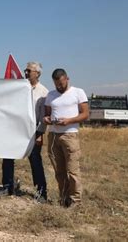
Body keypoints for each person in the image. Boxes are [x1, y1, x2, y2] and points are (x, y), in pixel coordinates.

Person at [0, 62, 49, 201]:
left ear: (37, 73)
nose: (26, 72)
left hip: (33, 132)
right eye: (25, 70)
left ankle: (41, 193)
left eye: (29, 70)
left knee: (35, 162)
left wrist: (40, 134)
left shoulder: (43, 92)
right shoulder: (19, 87)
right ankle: (7, 186)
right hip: (15, 130)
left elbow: (44, 116)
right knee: (8, 157)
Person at [43, 68, 89, 207]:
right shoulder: (50, 95)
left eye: (61, 83)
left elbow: (85, 114)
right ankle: (64, 198)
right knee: (59, 171)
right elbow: (47, 115)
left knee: (73, 170)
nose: (59, 86)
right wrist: (47, 120)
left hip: (70, 135)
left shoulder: (78, 92)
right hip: (53, 135)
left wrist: (68, 121)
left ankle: (76, 201)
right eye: (56, 84)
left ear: (67, 79)